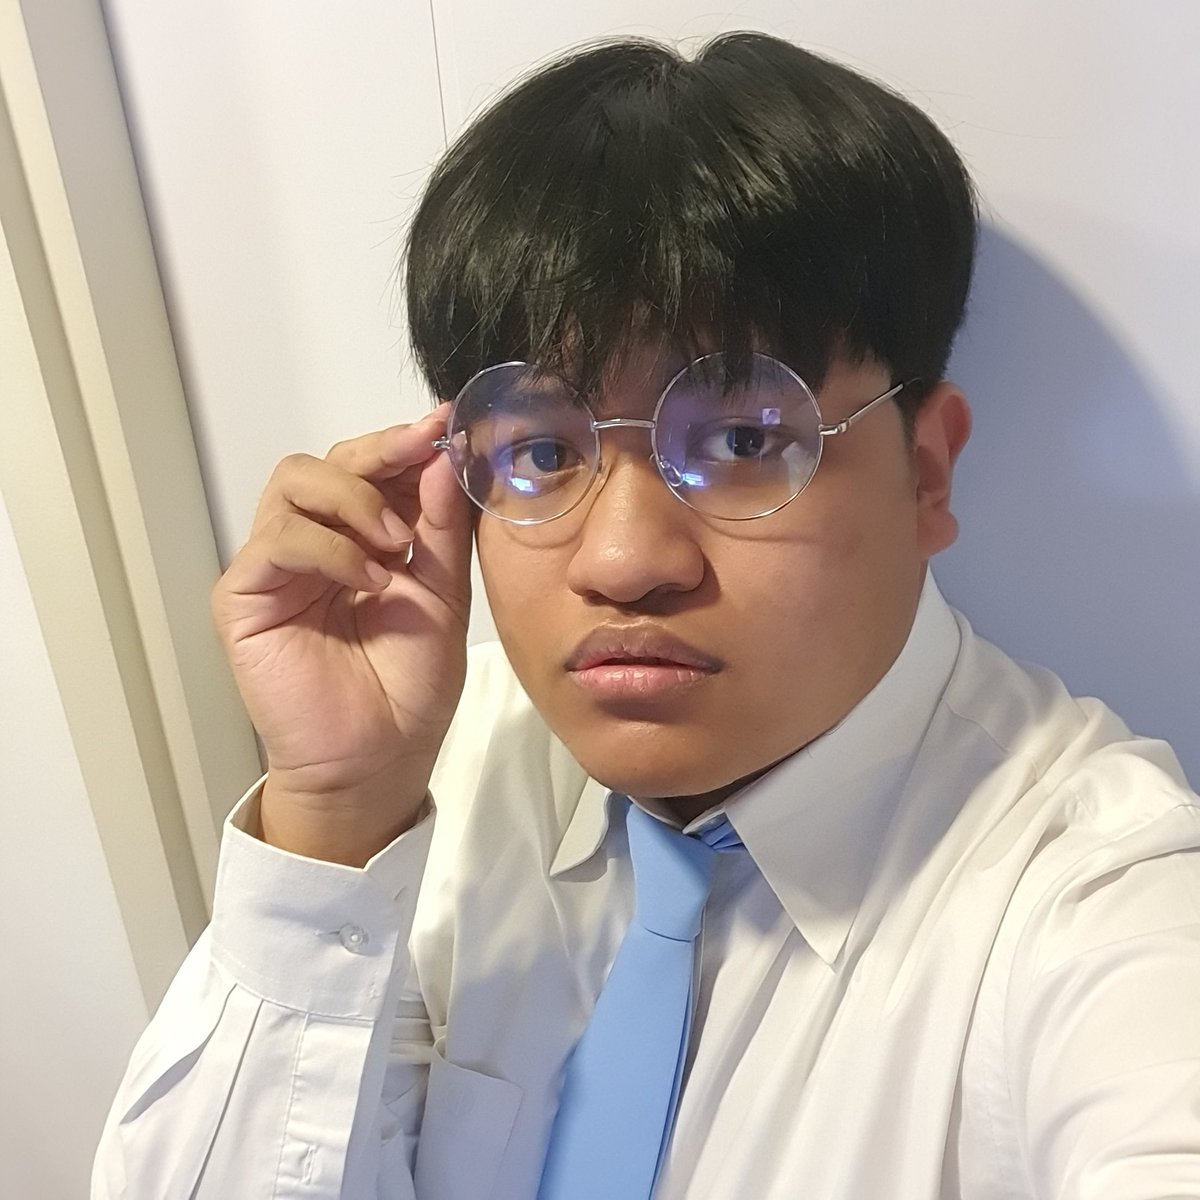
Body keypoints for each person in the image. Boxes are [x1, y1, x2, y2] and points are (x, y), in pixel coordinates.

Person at [92, 30, 1200, 1200]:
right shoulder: (451, 774)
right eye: (541, 451)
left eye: (743, 438)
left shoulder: (1090, 897)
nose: (622, 562)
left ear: (925, 471)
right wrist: (335, 812)